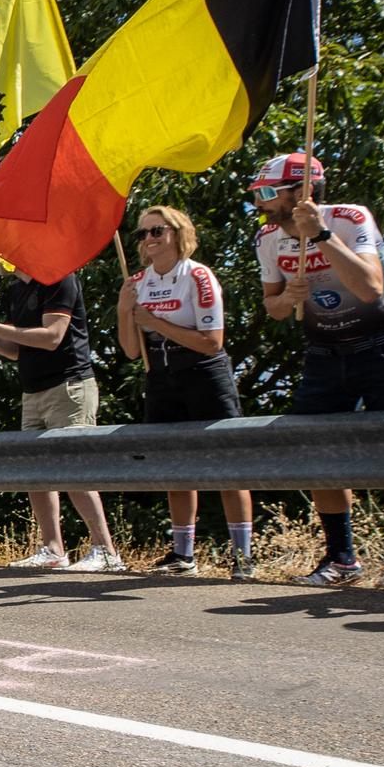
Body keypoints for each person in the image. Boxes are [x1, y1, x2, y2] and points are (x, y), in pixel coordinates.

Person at [251, 152, 384, 589]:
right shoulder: (268, 238)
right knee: (317, 453)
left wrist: (323, 236)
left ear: (302, 191)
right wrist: (289, 298)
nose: (262, 203)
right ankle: (341, 559)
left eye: (271, 193)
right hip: (324, 352)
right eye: (259, 194)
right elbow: (272, 309)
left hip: (383, 346)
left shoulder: (349, 218)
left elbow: (370, 288)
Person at [0, 268, 125, 572]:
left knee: (75, 470)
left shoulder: (59, 278)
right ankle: (52, 548)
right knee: (35, 473)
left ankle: (106, 550)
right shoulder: (16, 289)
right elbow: (17, 350)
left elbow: (52, 337)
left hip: (69, 385)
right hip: (32, 390)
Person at [117, 205, 256, 580]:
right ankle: (183, 554)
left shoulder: (198, 276)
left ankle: (242, 557)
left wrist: (154, 321)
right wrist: (123, 309)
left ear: (178, 234)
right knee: (174, 468)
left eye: (156, 231)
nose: (148, 240)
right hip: (160, 374)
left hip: (203, 372)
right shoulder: (136, 282)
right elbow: (131, 351)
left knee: (227, 466)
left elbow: (212, 342)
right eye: (142, 234)